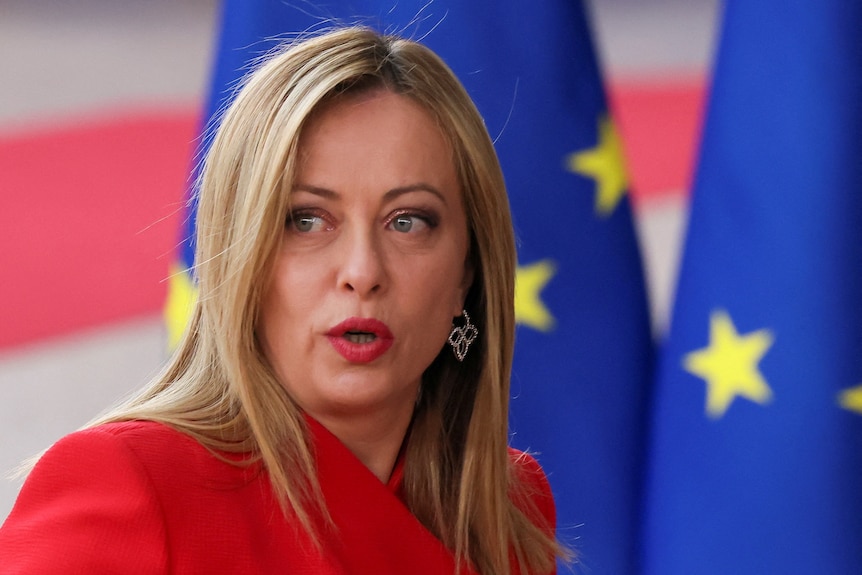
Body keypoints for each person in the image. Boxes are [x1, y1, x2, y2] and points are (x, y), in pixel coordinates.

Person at [0, 27, 569, 574]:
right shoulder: (130, 482)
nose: (362, 272)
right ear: (239, 254)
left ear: (466, 274)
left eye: (408, 221)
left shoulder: (509, 508)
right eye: (307, 220)